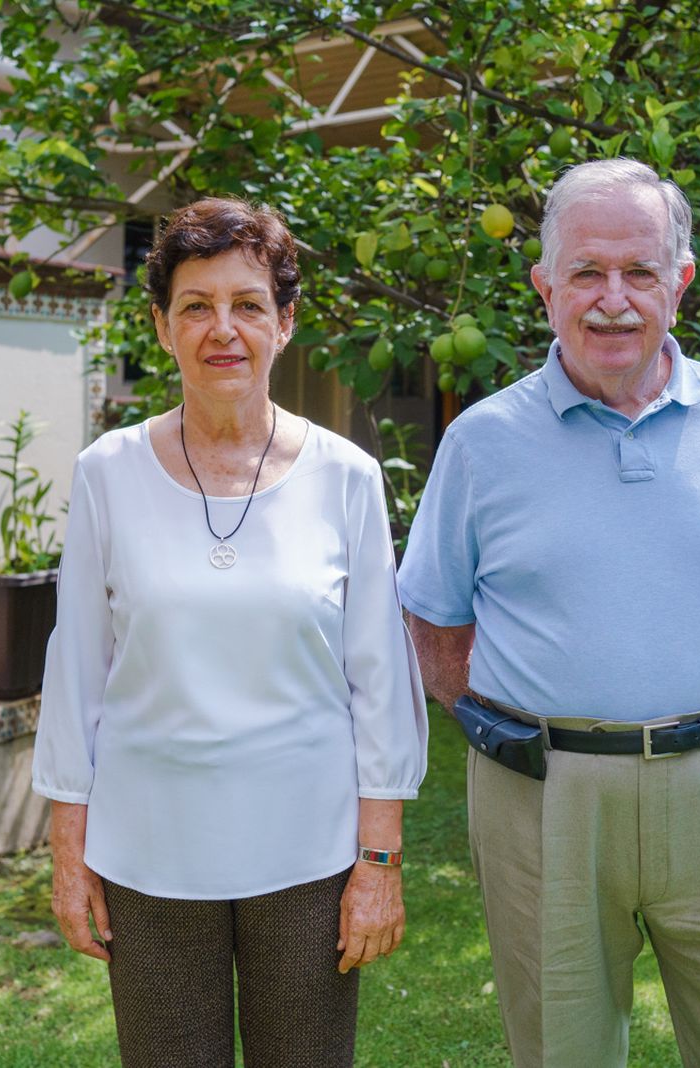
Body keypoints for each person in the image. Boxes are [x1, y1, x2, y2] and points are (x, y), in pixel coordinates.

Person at [397, 158, 700, 1068]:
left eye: (639, 271)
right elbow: (434, 623)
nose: (614, 300)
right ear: (544, 286)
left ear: (682, 282)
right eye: (586, 272)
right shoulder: (481, 441)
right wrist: (507, 722)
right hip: (545, 795)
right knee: (564, 1053)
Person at [32, 196, 429, 1068]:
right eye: (195, 306)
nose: (223, 330)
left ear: (284, 324)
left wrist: (379, 862)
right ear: (161, 326)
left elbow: (380, 683)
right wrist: (70, 852)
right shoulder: (107, 475)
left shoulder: (346, 478)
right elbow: (78, 672)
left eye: (248, 305)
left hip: (309, 856)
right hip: (148, 852)